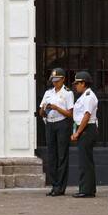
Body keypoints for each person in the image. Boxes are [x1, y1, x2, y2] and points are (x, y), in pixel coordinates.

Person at [39, 68, 75, 196]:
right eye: (53, 81)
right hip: (50, 123)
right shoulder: (48, 93)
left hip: (62, 124)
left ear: (63, 79)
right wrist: (44, 109)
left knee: (62, 156)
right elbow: (40, 112)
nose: (55, 83)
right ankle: (54, 185)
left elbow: (70, 114)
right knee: (51, 156)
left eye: (57, 81)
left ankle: (61, 187)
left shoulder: (67, 93)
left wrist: (56, 108)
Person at [70, 71, 99, 199]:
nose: (76, 86)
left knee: (84, 162)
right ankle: (89, 189)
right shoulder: (84, 96)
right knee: (86, 161)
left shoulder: (88, 96)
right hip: (85, 129)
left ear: (83, 83)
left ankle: (86, 190)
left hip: (87, 129)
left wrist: (77, 132)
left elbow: (86, 116)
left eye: (77, 83)